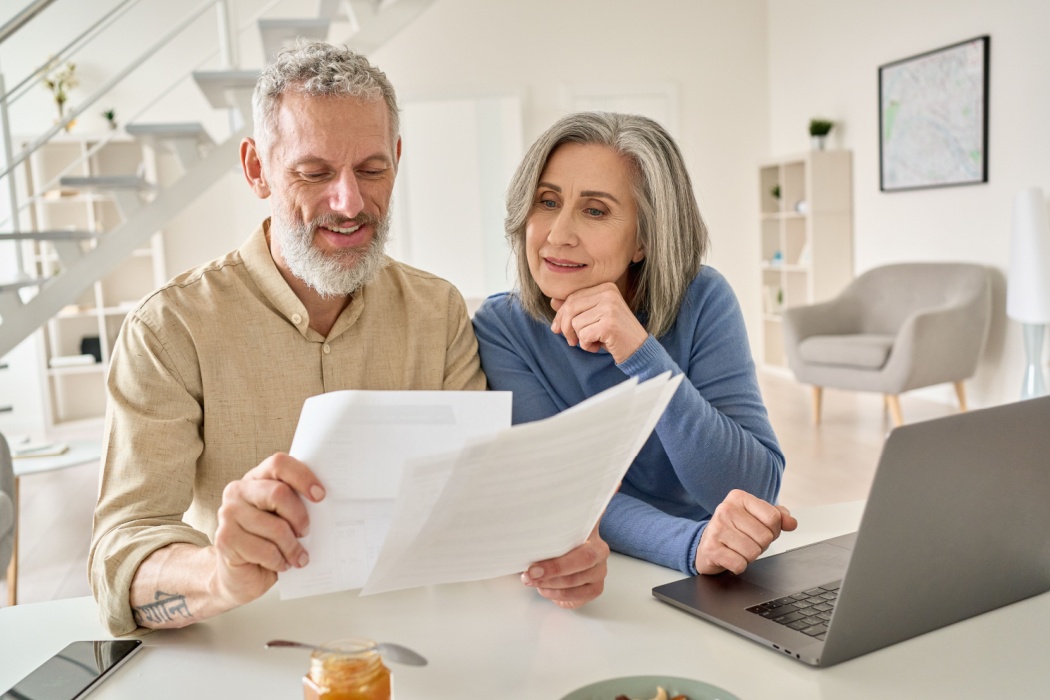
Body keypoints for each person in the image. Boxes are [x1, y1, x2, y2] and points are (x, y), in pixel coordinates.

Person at [89, 44, 606, 636]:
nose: (350, 203)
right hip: (248, 649)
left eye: (372, 169)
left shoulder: (437, 312)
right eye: (313, 173)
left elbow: (478, 503)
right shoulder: (169, 329)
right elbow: (121, 553)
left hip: (422, 645)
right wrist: (217, 575)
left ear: (398, 159)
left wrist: (557, 546)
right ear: (257, 169)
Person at [473, 112, 797, 580]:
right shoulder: (503, 327)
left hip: (707, 570)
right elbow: (561, 490)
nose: (558, 234)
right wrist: (689, 544)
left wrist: (642, 355)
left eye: (595, 210)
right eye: (547, 202)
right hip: (588, 569)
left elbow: (753, 487)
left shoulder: (703, 299)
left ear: (644, 238)